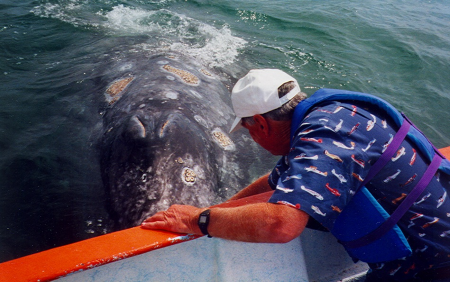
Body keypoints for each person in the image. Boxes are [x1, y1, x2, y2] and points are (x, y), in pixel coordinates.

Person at [142, 69, 450, 281]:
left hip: (433, 268)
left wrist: (198, 221)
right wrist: (219, 208)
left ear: (261, 124)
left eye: (248, 131)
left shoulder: (324, 139)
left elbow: (281, 225)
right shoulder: (334, 117)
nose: (253, 138)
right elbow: (275, 180)